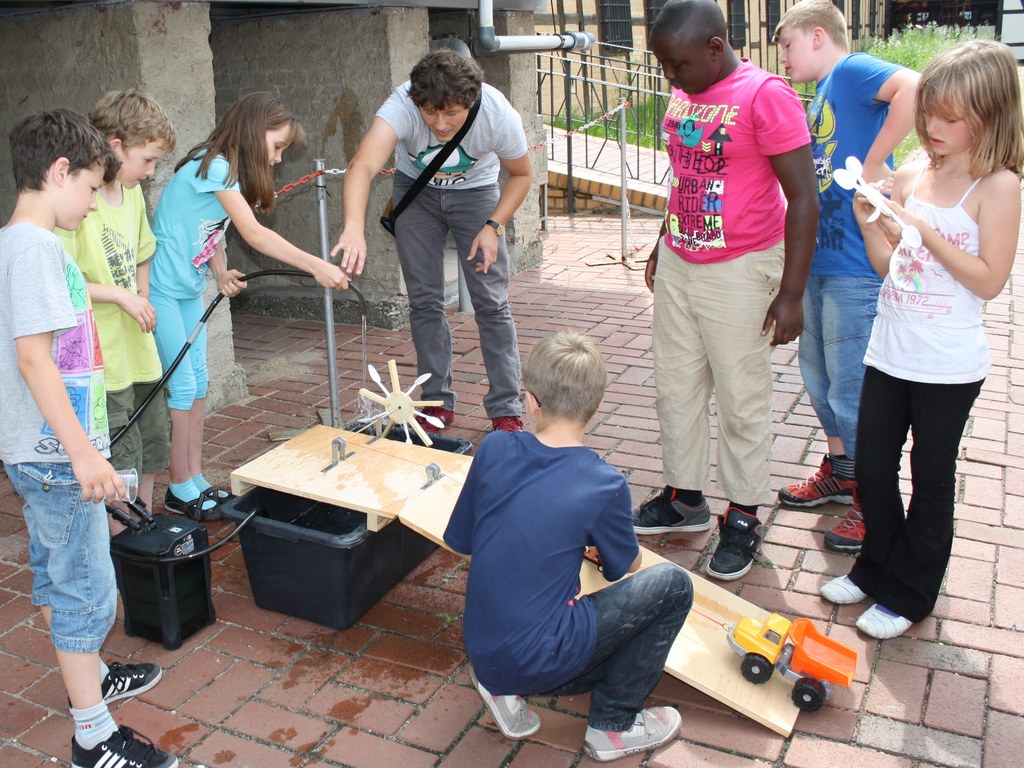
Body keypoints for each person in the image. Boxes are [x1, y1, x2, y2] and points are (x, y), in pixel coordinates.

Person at [820, 40, 1024, 639]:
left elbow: (988, 281)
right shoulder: (913, 172)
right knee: (875, 470)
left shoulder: (998, 185)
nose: (933, 126)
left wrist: (925, 232)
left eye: (951, 117)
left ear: (990, 115)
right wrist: (873, 225)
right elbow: (890, 270)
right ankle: (875, 567)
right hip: (890, 350)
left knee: (930, 476)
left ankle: (912, 593)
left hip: (948, 365)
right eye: (930, 110)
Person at [0, 109, 177, 768]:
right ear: (59, 173)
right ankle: (94, 736)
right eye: (90, 186)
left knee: (55, 574)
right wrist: (82, 453)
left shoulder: (14, 245)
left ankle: (90, 678)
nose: (93, 201)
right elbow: (35, 361)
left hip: (43, 451)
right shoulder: (38, 248)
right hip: (55, 455)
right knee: (86, 590)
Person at [631, 0, 819, 581]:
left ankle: (741, 512)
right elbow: (686, 172)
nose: (669, 75)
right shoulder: (688, 89)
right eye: (662, 65)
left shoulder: (766, 96)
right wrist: (664, 240)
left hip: (741, 269)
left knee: (741, 398)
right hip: (682, 263)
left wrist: (791, 293)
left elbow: (805, 198)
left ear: (716, 48)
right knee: (676, 388)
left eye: (676, 64)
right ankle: (686, 497)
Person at [444, 332, 692, 763]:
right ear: (594, 406)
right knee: (673, 584)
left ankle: (501, 688)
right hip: (542, 663)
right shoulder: (603, 482)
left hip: (484, 651)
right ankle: (612, 727)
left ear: (531, 400)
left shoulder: (495, 447)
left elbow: (463, 541)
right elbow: (625, 566)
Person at [149, 92, 349, 520]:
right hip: (160, 291)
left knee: (198, 383)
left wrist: (220, 272)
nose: (277, 159)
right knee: (183, 388)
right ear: (255, 132)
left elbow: (212, 230)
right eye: (276, 146)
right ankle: (179, 486)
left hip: (186, 289)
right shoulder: (215, 165)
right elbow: (254, 235)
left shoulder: (227, 170)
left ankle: (195, 479)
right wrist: (316, 265)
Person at [773, 0, 920, 554]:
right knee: (820, 380)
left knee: (854, 390)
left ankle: (872, 506)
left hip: (856, 269)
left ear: (816, 37)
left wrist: (879, 160)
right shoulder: (823, 92)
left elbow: (917, 86)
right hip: (820, 264)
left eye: (786, 44)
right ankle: (842, 471)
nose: (782, 56)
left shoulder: (853, 70)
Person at [332, 49, 533, 434]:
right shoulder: (403, 103)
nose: (440, 124)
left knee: (491, 301)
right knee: (424, 300)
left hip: (477, 194)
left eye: (451, 113)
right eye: (430, 112)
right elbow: (363, 165)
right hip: (416, 192)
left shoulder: (497, 114)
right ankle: (435, 402)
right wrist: (353, 226)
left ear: (471, 101)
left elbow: (522, 174)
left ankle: (506, 408)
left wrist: (494, 225)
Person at [57, 89, 177, 524]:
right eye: (146, 160)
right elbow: (65, 281)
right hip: (102, 362)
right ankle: (118, 540)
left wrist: (140, 293)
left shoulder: (132, 198)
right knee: (119, 460)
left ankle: (141, 530)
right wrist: (122, 296)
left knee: (147, 449)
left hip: (139, 354)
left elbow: (144, 250)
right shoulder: (78, 207)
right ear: (114, 147)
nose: (150, 171)